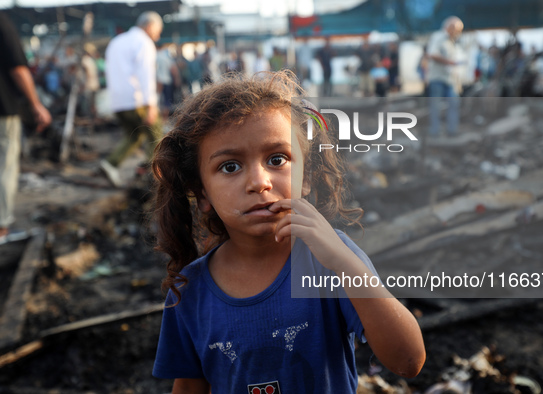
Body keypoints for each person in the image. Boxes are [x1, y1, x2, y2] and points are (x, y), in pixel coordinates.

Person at [151, 70, 425, 392]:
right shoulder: (190, 292)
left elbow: (408, 360)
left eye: (277, 159)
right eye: (230, 166)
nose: (259, 182)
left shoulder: (329, 261)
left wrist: (343, 263)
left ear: (306, 178)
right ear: (202, 194)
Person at [0, 12, 52, 242]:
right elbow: (18, 68)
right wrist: (36, 104)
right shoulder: (1, 23)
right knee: (4, 166)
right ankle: (1, 229)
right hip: (2, 109)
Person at [102, 11, 164, 187]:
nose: (158, 36)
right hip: (136, 100)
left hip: (117, 101)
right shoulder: (144, 43)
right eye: (158, 31)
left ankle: (110, 164)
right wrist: (151, 104)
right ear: (150, 26)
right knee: (155, 135)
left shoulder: (116, 41)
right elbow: (145, 75)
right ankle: (155, 180)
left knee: (134, 136)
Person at [427, 16, 464, 136]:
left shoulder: (452, 42)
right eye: (457, 30)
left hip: (450, 79)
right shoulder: (438, 37)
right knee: (436, 106)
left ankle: (452, 131)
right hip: (437, 78)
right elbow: (432, 54)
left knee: (454, 104)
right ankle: (435, 132)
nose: (458, 33)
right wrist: (448, 62)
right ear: (450, 27)